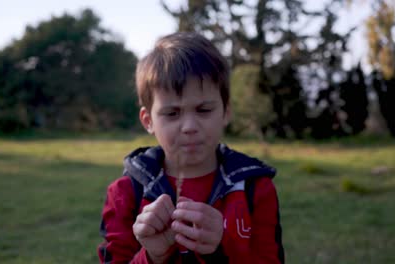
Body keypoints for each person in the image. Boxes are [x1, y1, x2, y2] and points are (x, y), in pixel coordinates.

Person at [98, 32, 284, 264]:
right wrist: (153, 256)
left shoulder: (255, 188)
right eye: (172, 113)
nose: (189, 127)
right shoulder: (125, 194)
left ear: (226, 112)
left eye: (204, 110)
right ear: (148, 121)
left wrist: (222, 249)